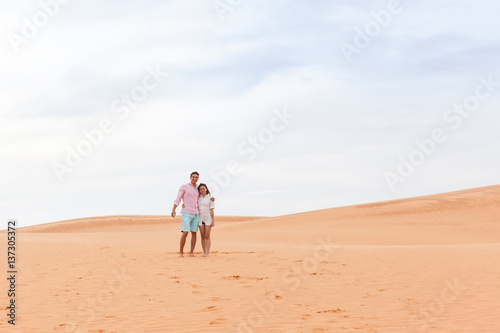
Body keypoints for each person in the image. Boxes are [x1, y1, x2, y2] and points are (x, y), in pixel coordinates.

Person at [171, 172, 214, 257]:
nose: (195, 178)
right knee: (185, 232)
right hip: (187, 212)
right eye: (193, 177)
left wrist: (212, 198)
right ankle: (181, 252)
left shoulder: (198, 188)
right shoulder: (184, 187)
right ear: (190, 177)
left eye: (196, 177)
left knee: (194, 233)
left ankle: (191, 253)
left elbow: (204, 196)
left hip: (196, 214)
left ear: (198, 178)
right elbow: (178, 198)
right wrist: (174, 209)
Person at [197, 183, 215, 257]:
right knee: (202, 236)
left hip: (208, 217)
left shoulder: (210, 198)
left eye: (203, 188)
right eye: (201, 189)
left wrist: (213, 220)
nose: (202, 190)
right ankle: (204, 252)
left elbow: (212, 210)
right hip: (200, 217)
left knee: (207, 235)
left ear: (206, 189)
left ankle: (207, 252)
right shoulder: (198, 198)